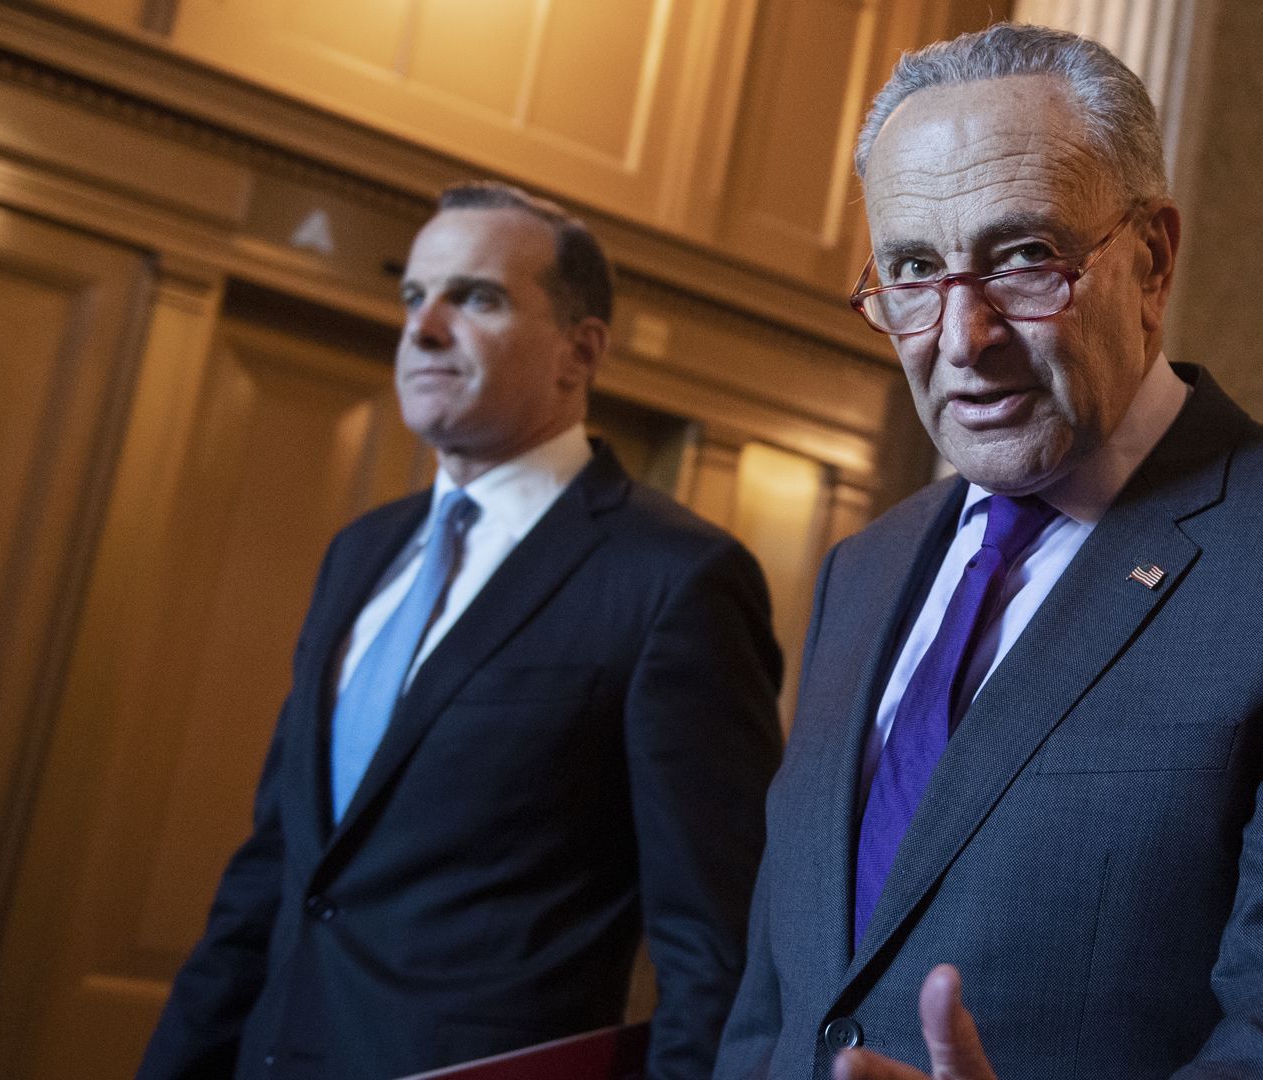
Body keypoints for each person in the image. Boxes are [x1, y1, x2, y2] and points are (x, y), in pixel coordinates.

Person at [713, 23, 1263, 1080]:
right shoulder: (867, 568)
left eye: (1026, 258)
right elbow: (777, 1000)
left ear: (1154, 261)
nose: (961, 337)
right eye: (911, 270)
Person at [139, 182, 783, 1080]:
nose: (424, 327)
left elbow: (716, 945)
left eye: (474, 298)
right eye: (413, 297)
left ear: (579, 350)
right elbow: (276, 870)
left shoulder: (674, 579)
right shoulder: (361, 554)